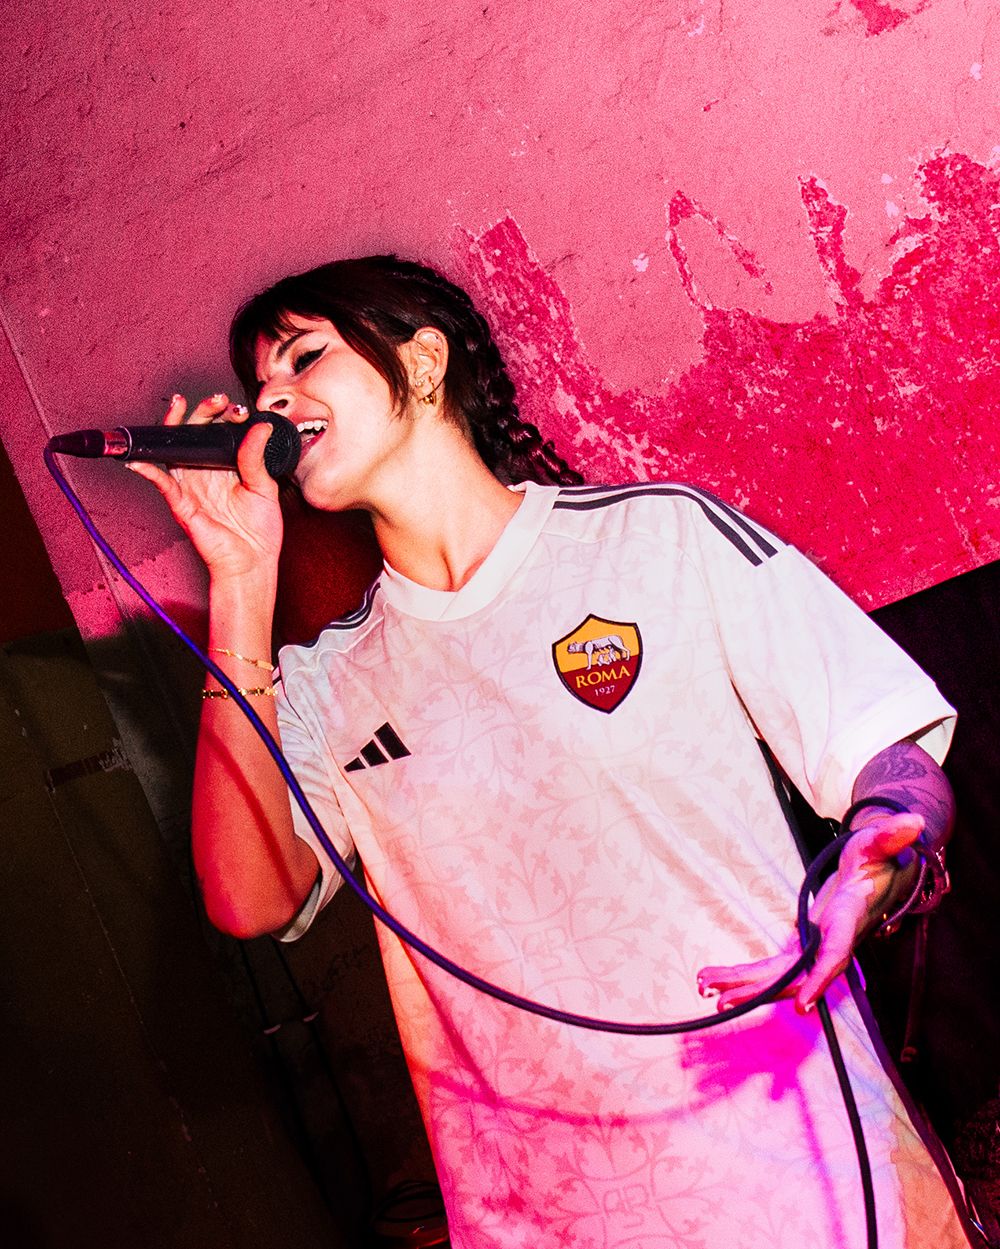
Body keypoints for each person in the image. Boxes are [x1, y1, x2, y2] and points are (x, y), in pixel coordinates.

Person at [128, 255, 976, 1248]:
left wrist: (879, 845)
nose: (271, 397)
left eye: (304, 358)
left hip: (797, 1167)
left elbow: (889, 753)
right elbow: (251, 900)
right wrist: (239, 583)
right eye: (259, 383)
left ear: (425, 361)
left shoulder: (659, 539)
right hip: (543, 1215)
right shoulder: (324, 679)